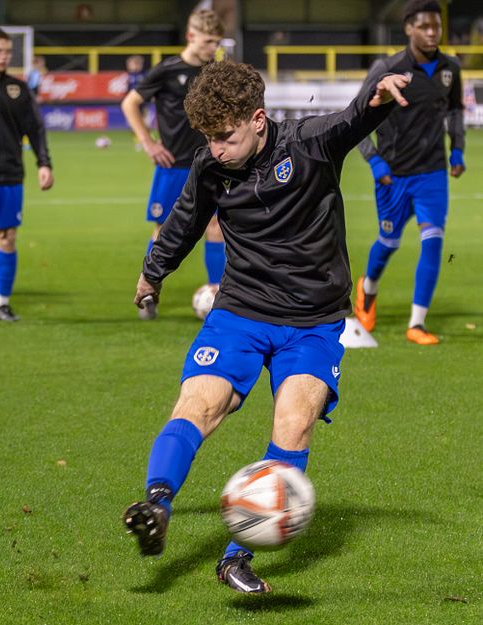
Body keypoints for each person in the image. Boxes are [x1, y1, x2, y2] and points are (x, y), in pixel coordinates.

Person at [123, 60, 410, 593]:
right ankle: (156, 504)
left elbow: (356, 116)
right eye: (209, 139)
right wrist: (153, 271)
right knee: (200, 402)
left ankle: (237, 556)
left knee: (294, 424)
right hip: (241, 309)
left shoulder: (310, 143)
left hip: (314, 321)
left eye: (225, 137)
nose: (215, 149)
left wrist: (382, 94)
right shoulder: (210, 165)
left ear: (258, 120)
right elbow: (184, 221)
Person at [353, 0, 465, 345]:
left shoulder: (450, 68)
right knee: (388, 242)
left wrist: (457, 149)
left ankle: (417, 324)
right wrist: (375, 162)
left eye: (436, 26)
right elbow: (355, 118)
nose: (432, 32)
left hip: (432, 173)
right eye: (424, 26)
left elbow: (455, 110)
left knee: (433, 241)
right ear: (408, 29)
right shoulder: (388, 68)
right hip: (393, 174)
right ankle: (368, 287)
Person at [121, 9, 226, 320]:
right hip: (173, 165)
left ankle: (217, 293)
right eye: (208, 42)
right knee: (163, 229)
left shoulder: (215, 72)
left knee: (216, 226)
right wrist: (148, 142)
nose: (213, 48)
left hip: (210, 164)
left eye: (216, 42)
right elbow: (130, 103)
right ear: (191, 36)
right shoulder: (167, 70)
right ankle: (148, 293)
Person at [0, 27, 53, 324]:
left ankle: (2, 303)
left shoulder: (18, 89)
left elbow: (35, 129)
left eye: (7, 52)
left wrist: (44, 163)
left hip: (11, 174)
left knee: (7, 238)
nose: (3, 57)